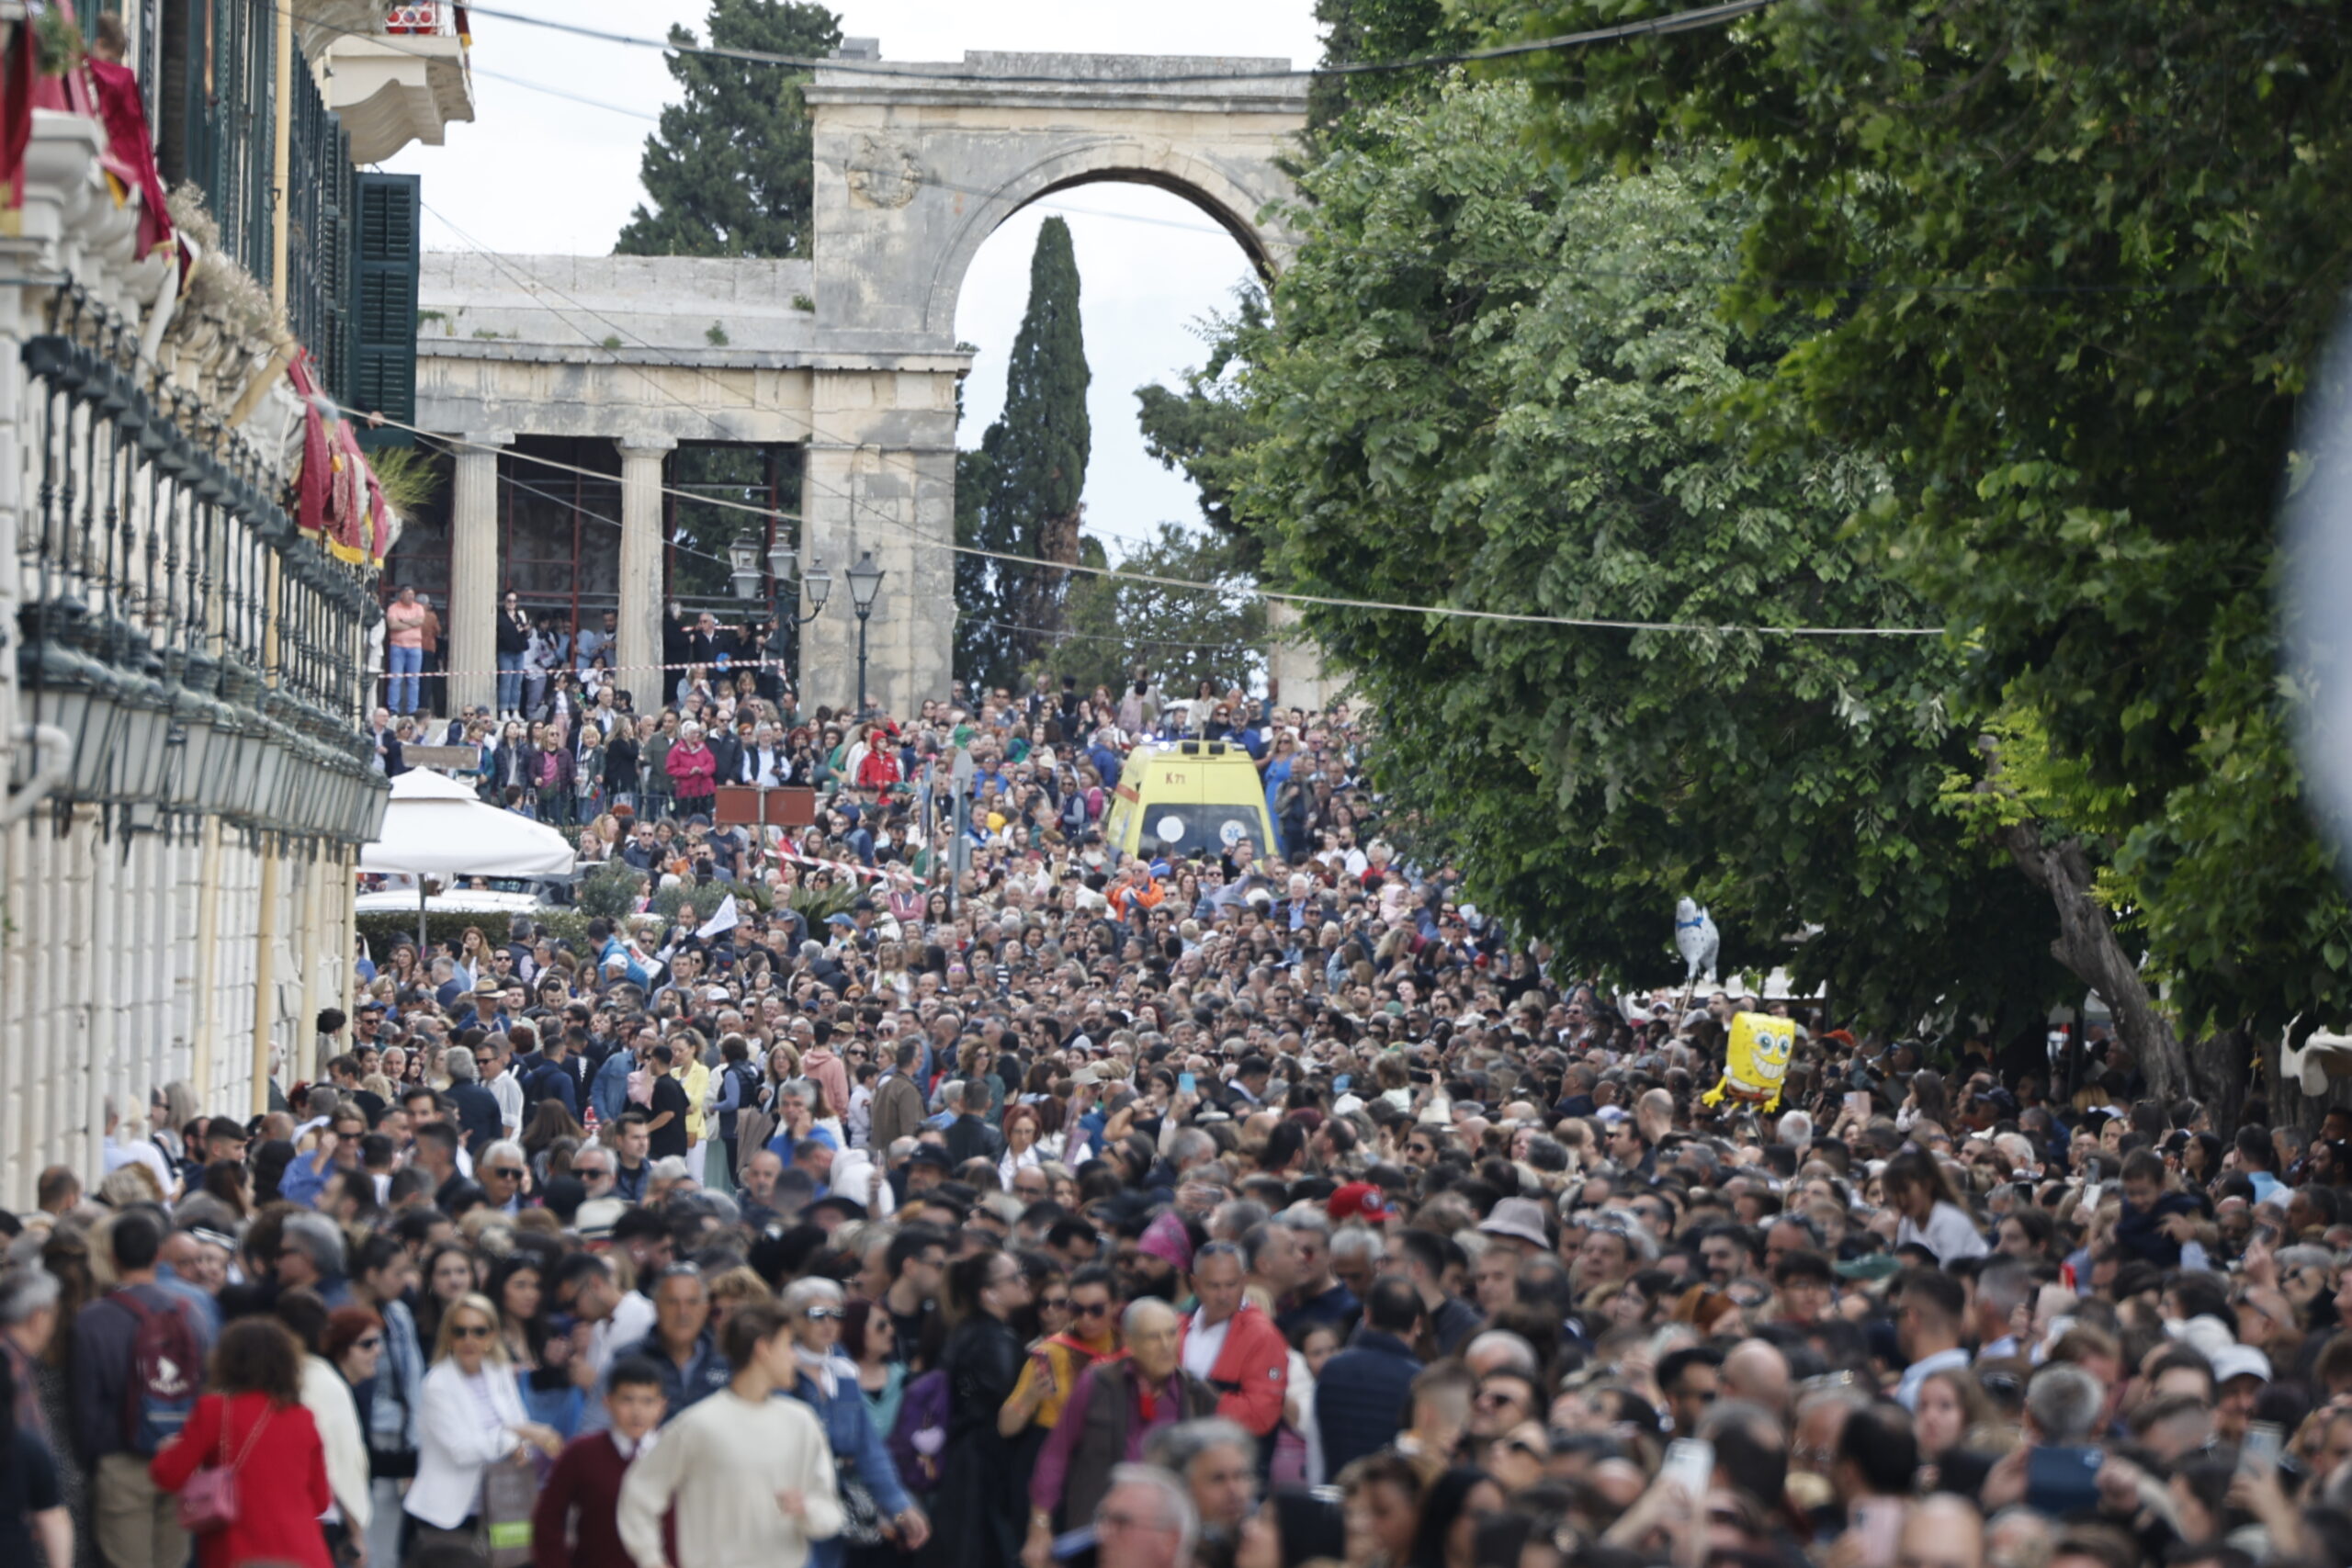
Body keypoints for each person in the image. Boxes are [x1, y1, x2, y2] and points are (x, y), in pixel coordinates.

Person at [616, 1299, 844, 1568]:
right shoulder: (697, 1425)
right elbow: (640, 1493)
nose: (795, 1356)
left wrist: (806, 1509)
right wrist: (651, 1560)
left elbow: (829, 1510)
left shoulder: (801, 1422)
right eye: (788, 1346)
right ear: (764, 1349)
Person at [73, 1207, 214, 1568]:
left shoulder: (92, 1320)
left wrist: (95, 1460)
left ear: (112, 1257)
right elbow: (204, 1388)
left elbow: (86, 1407)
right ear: (159, 1255)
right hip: (180, 1457)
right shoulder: (190, 1312)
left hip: (121, 1460)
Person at [147, 1316, 332, 1568]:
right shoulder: (302, 1416)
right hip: (303, 1552)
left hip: (239, 1552)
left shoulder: (215, 1410)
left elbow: (168, 1475)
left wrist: (167, 1452)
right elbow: (321, 1499)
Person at [777, 1276, 928, 1564]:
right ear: (794, 1319)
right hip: (791, 1501)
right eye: (817, 1314)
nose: (828, 1323)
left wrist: (900, 1506)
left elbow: (867, 1445)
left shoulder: (842, 1365)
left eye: (837, 1314)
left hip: (838, 1502)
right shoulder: (777, 1367)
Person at [404, 1292, 562, 1552]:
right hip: (449, 1515)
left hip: (498, 1506)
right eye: (460, 1331)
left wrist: (521, 1443)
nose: (469, 1340)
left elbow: (518, 1425)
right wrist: (519, 1435)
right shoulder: (437, 1384)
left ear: (491, 1336)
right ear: (448, 1337)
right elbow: (462, 1450)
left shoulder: (498, 1371)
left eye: (479, 1331)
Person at [934, 1250, 1032, 1568]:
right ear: (988, 1293)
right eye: (1014, 1277)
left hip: (965, 1460)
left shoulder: (967, 1330)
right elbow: (1003, 1406)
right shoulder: (995, 1340)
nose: (1024, 1282)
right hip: (986, 1468)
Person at [534, 1355, 666, 1568]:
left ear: (661, 1406)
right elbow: (547, 1520)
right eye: (627, 1400)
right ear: (608, 1402)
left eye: (647, 1401)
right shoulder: (582, 1453)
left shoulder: (676, 1454)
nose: (637, 1412)